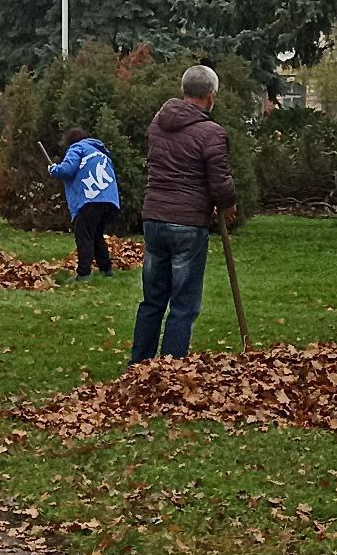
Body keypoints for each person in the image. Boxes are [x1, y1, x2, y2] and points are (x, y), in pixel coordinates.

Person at [130, 65, 237, 364]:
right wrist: (228, 204)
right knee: (183, 303)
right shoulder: (211, 132)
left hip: (154, 218)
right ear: (211, 95)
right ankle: (170, 371)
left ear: (183, 91)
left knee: (153, 298)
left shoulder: (158, 123)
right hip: (187, 223)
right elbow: (220, 179)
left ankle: (138, 364)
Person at [48, 127, 121, 281]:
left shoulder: (77, 148)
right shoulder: (101, 153)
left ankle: (84, 273)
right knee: (96, 235)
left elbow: (67, 170)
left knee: (84, 236)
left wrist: (54, 169)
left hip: (90, 198)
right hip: (109, 201)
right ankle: (106, 270)